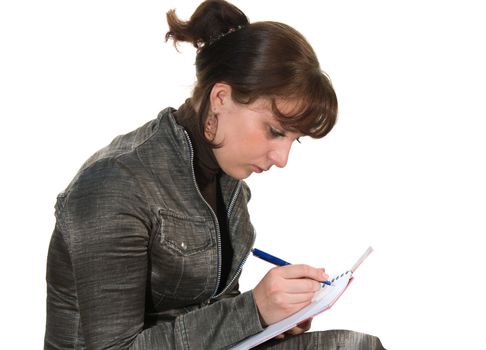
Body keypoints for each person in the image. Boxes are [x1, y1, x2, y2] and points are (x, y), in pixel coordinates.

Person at [44, 1, 385, 349]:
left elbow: (209, 310)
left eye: (294, 141)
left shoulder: (227, 178)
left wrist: (272, 319)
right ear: (221, 97)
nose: (281, 158)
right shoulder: (114, 185)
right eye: (275, 131)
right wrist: (252, 311)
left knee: (356, 346)